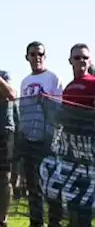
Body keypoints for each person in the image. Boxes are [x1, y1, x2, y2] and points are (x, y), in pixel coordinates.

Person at [60, 44, 95, 227]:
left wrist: (78, 115)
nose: (81, 61)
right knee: (71, 194)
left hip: (89, 146)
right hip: (69, 146)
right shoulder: (69, 87)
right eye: (77, 57)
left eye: (85, 58)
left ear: (90, 61)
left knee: (87, 194)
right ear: (70, 60)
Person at [18, 42, 63, 227]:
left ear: (45, 56)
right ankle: (36, 221)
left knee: (52, 184)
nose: (37, 57)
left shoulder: (53, 78)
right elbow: (22, 109)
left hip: (48, 139)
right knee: (33, 185)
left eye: (40, 54)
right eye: (33, 54)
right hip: (29, 139)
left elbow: (59, 110)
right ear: (27, 57)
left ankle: (55, 221)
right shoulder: (24, 81)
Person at [0, 69, 16, 227]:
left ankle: (2, 219)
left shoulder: (4, 75)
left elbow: (11, 94)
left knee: (4, 178)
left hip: (3, 131)